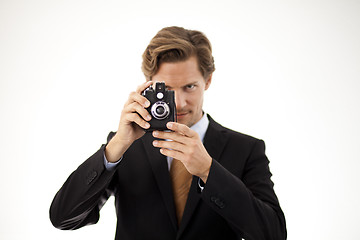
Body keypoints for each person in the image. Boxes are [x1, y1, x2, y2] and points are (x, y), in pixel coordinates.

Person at [50, 26, 287, 240]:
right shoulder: (125, 145)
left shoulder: (245, 149)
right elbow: (63, 218)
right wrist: (117, 145)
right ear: (149, 84)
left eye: (190, 87)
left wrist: (208, 170)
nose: (180, 103)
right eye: (167, 89)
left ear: (208, 80)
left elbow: (273, 234)